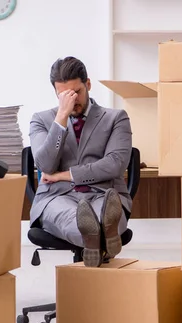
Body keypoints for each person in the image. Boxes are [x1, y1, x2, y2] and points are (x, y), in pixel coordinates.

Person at [28, 56, 133, 267]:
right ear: (56, 93)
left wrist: (65, 175)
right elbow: (45, 166)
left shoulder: (116, 118)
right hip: (57, 196)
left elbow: (115, 164)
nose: (73, 99)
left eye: (77, 92)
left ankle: (98, 234)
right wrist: (61, 118)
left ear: (88, 84)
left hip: (104, 192)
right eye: (64, 95)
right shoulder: (41, 120)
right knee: (76, 218)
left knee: (104, 213)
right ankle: (102, 238)